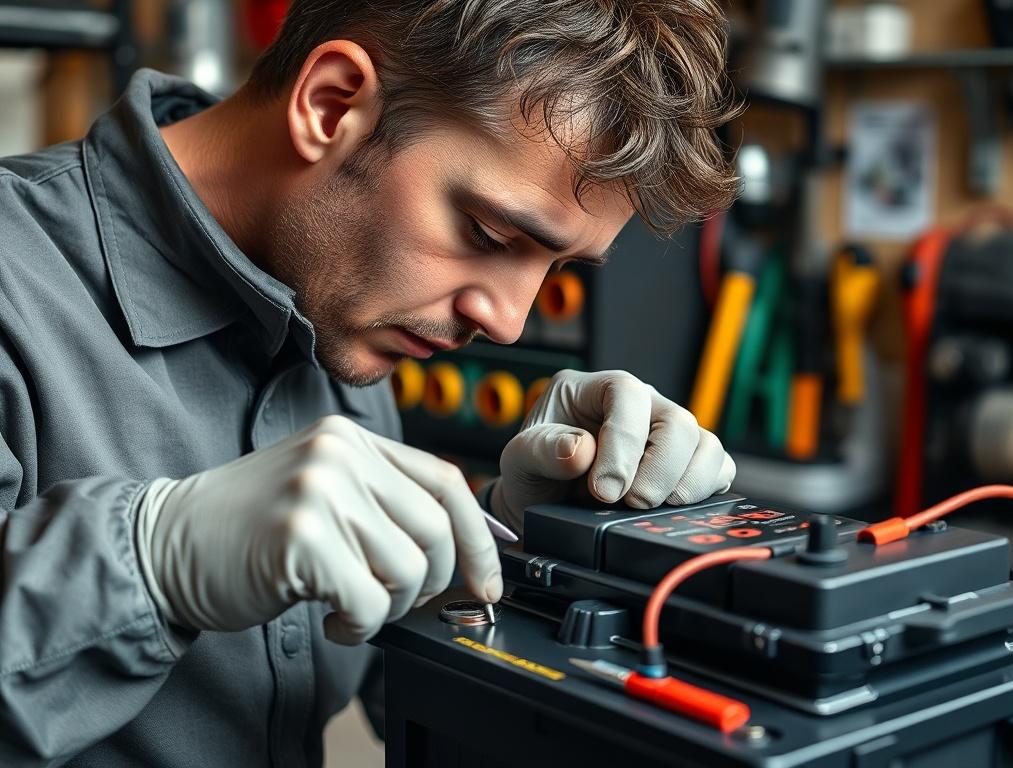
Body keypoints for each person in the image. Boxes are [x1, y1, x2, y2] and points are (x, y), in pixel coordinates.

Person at [0, 1, 740, 765]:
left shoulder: (343, 312)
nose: (510, 321)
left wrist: (525, 564)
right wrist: (153, 565)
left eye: (554, 267)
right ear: (331, 105)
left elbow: (412, 703)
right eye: (488, 235)